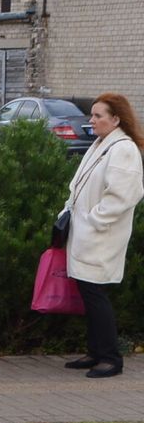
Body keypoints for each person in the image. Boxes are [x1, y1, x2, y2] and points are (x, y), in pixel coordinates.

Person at [62, 92, 144, 378]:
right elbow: (82, 185)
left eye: (98, 116)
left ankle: (110, 358)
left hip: (101, 235)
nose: (91, 120)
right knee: (89, 293)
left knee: (95, 294)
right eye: (92, 114)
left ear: (116, 119)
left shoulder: (122, 149)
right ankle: (96, 351)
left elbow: (123, 196)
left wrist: (92, 220)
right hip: (87, 232)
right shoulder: (102, 144)